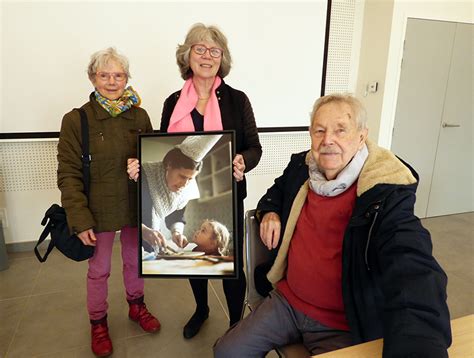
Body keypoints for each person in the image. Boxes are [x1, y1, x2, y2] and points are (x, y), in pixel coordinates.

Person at [214, 93, 451, 357]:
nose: (328, 140)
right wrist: (270, 211)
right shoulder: (301, 167)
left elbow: (411, 264)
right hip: (286, 302)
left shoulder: (382, 192)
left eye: (341, 130)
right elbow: (277, 191)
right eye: (319, 131)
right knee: (227, 352)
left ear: (362, 136)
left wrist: (420, 342)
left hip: (341, 324)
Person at [160, 22, 262, 338]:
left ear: (222, 57)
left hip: (227, 193)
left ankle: (235, 323)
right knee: (195, 255)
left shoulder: (237, 99)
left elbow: (254, 146)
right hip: (188, 195)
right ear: (187, 55)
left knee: (230, 264)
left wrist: (244, 160)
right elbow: (165, 148)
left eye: (214, 50)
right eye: (200, 48)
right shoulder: (172, 101)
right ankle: (202, 309)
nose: (207, 56)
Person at [57, 47, 160, 357]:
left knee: (135, 262)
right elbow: (68, 174)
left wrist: (141, 163)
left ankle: (136, 306)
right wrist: (80, 219)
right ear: (93, 78)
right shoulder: (76, 120)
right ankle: (98, 322)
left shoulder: (140, 115)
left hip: (132, 207)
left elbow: (154, 159)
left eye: (119, 75)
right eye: (105, 75)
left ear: (127, 78)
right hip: (97, 212)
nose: (112, 82)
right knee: (99, 270)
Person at [139, 135, 222, 253]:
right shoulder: (144, 175)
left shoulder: (184, 191)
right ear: (169, 165)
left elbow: (176, 215)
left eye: (190, 179)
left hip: (151, 250)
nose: (184, 184)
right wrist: (143, 230)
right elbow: (126, 212)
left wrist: (176, 233)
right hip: (134, 244)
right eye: (182, 176)